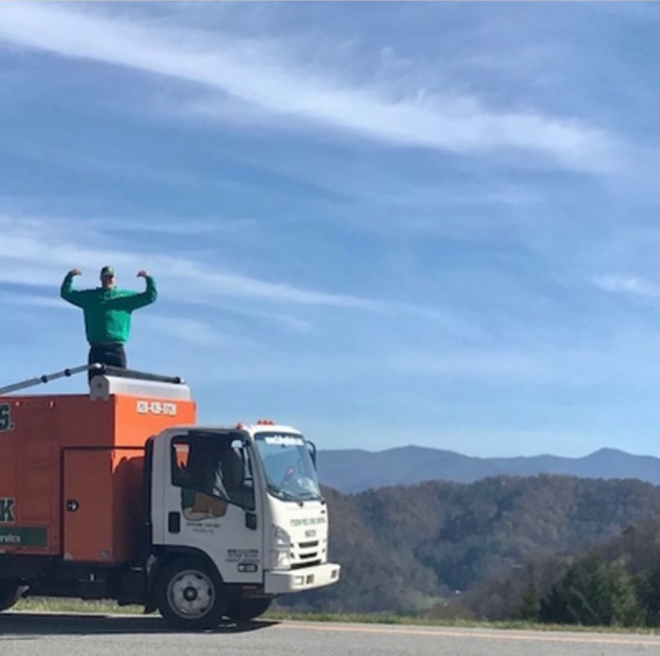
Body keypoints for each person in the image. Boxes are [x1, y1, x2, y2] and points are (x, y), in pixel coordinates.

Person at [60, 266, 157, 381]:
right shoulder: (90, 297)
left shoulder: (125, 298)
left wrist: (149, 278)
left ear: (115, 279)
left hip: (116, 349)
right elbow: (66, 293)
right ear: (101, 278)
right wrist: (70, 277)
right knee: (96, 385)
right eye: (106, 277)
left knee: (120, 384)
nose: (108, 280)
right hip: (97, 348)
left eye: (110, 277)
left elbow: (150, 296)